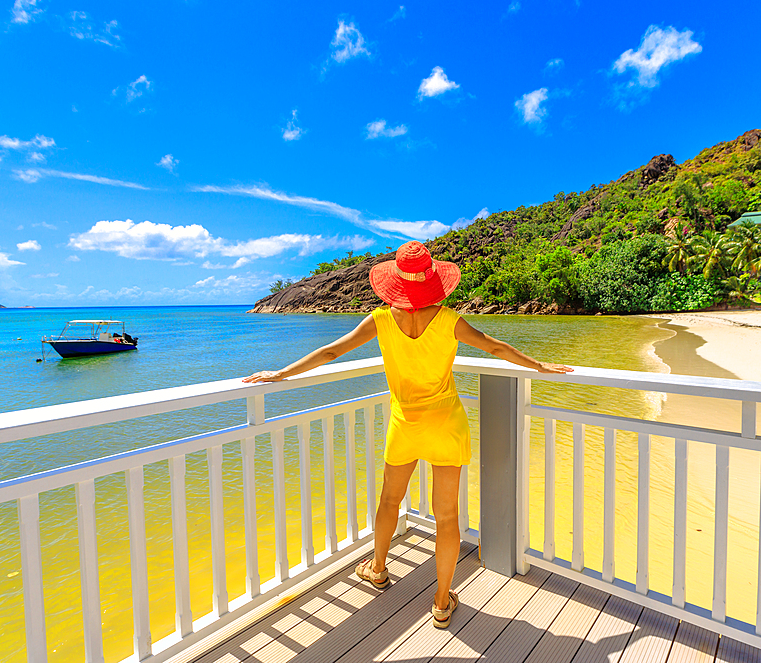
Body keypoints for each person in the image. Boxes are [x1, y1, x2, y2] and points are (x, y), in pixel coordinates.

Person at [244, 240, 572, 628]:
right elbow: (493, 346)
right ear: (432, 279)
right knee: (447, 517)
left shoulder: (381, 319)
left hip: (405, 424)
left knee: (389, 500)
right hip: (446, 424)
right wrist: (537, 365)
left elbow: (331, 352)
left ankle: (378, 569)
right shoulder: (449, 319)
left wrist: (280, 374)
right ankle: (440, 601)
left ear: (396, 281)